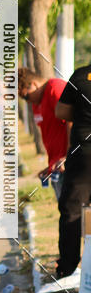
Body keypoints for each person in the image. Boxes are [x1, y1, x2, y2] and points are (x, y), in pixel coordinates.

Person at [55, 63, 91, 278]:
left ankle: (68, 268)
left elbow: (61, 111)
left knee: (72, 210)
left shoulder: (81, 76)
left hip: (84, 154)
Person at [18, 68, 69, 201]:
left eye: (25, 96)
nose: (27, 101)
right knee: (65, 213)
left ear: (33, 84)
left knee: (72, 215)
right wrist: (50, 164)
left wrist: (69, 155)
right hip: (57, 165)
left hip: (68, 164)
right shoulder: (37, 102)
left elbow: (72, 119)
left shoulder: (55, 88)